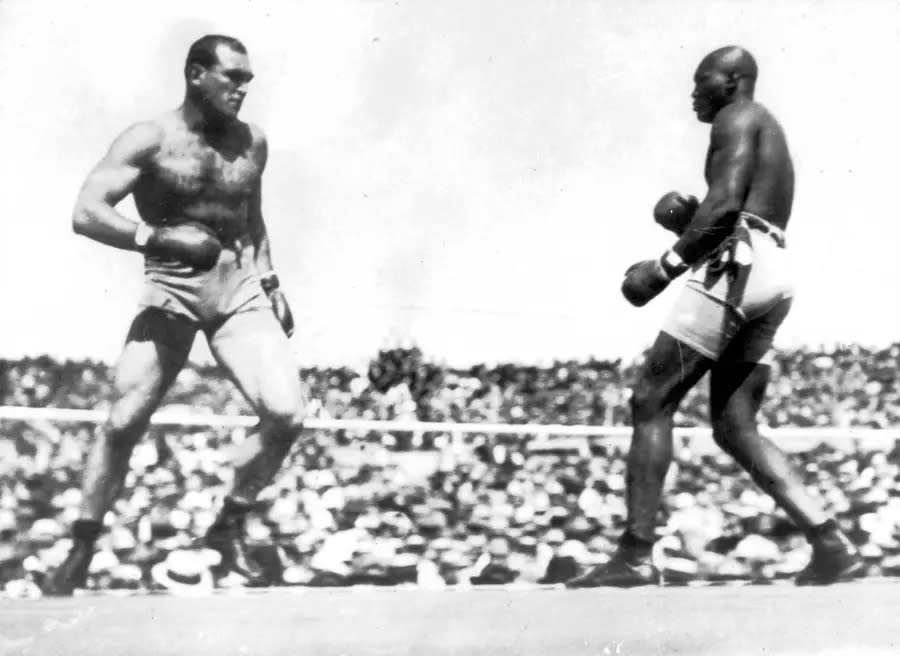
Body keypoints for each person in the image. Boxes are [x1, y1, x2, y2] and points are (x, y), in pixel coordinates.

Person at [568, 46, 863, 587]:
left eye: (702, 81)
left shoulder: (736, 117)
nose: (693, 93)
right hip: (773, 270)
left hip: (739, 267)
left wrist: (663, 267)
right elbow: (735, 211)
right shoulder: (764, 127)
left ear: (733, 82)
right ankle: (828, 540)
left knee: (651, 399)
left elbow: (726, 207)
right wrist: (687, 225)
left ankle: (634, 553)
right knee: (734, 424)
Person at [44, 34, 305, 595]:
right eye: (232, 77)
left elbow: (251, 217)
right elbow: (85, 212)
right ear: (195, 75)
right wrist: (154, 236)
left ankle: (227, 525)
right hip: (172, 288)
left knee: (286, 414)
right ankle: (83, 544)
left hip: (239, 290)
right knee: (121, 424)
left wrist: (271, 279)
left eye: (248, 79)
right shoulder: (150, 139)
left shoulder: (252, 142)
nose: (243, 88)